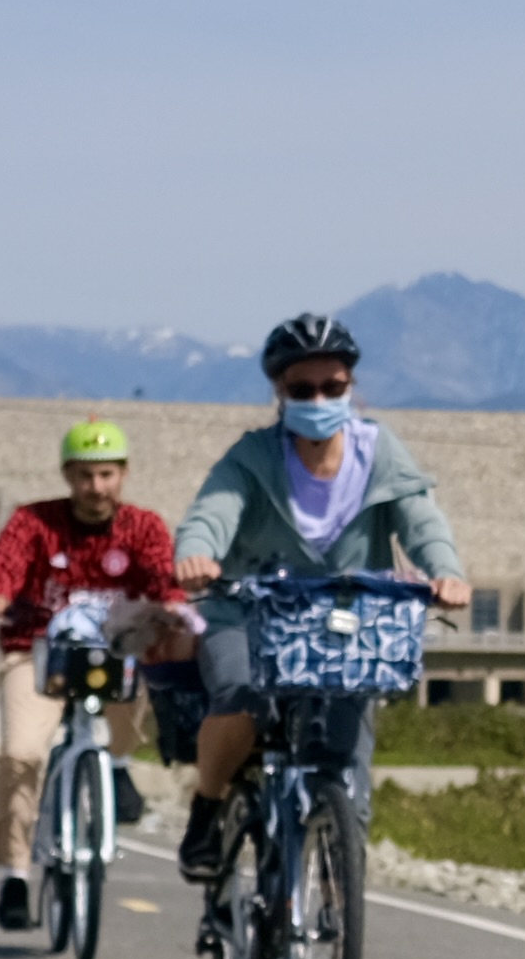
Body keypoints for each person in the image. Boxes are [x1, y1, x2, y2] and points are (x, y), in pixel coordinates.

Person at [171, 319, 465, 883]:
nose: (319, 400)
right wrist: (198, 555)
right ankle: (207, 808)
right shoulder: (253, 457)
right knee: (238, 695)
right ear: (279, 392)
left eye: (333, 387)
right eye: (302, 390)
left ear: (351, 385)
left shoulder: (379, 452)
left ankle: (339, 918)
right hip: (251, 614)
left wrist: (446, 572)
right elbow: (213, 512)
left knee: (345, 761)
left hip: (346, 625)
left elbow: (421, 519)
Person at [0, 424, 183, 932]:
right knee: (22, 755)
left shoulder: (143, 528)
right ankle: (15, 874)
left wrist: (174, 606)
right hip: (39, 651)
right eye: (86, 475)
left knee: (146, 673)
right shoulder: (33, 522)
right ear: (68, 475)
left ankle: (116, 762)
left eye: (107, 474)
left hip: (115, 652)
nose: (96, 487)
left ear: (124, 475)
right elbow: (5, 563)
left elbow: (163, 576)